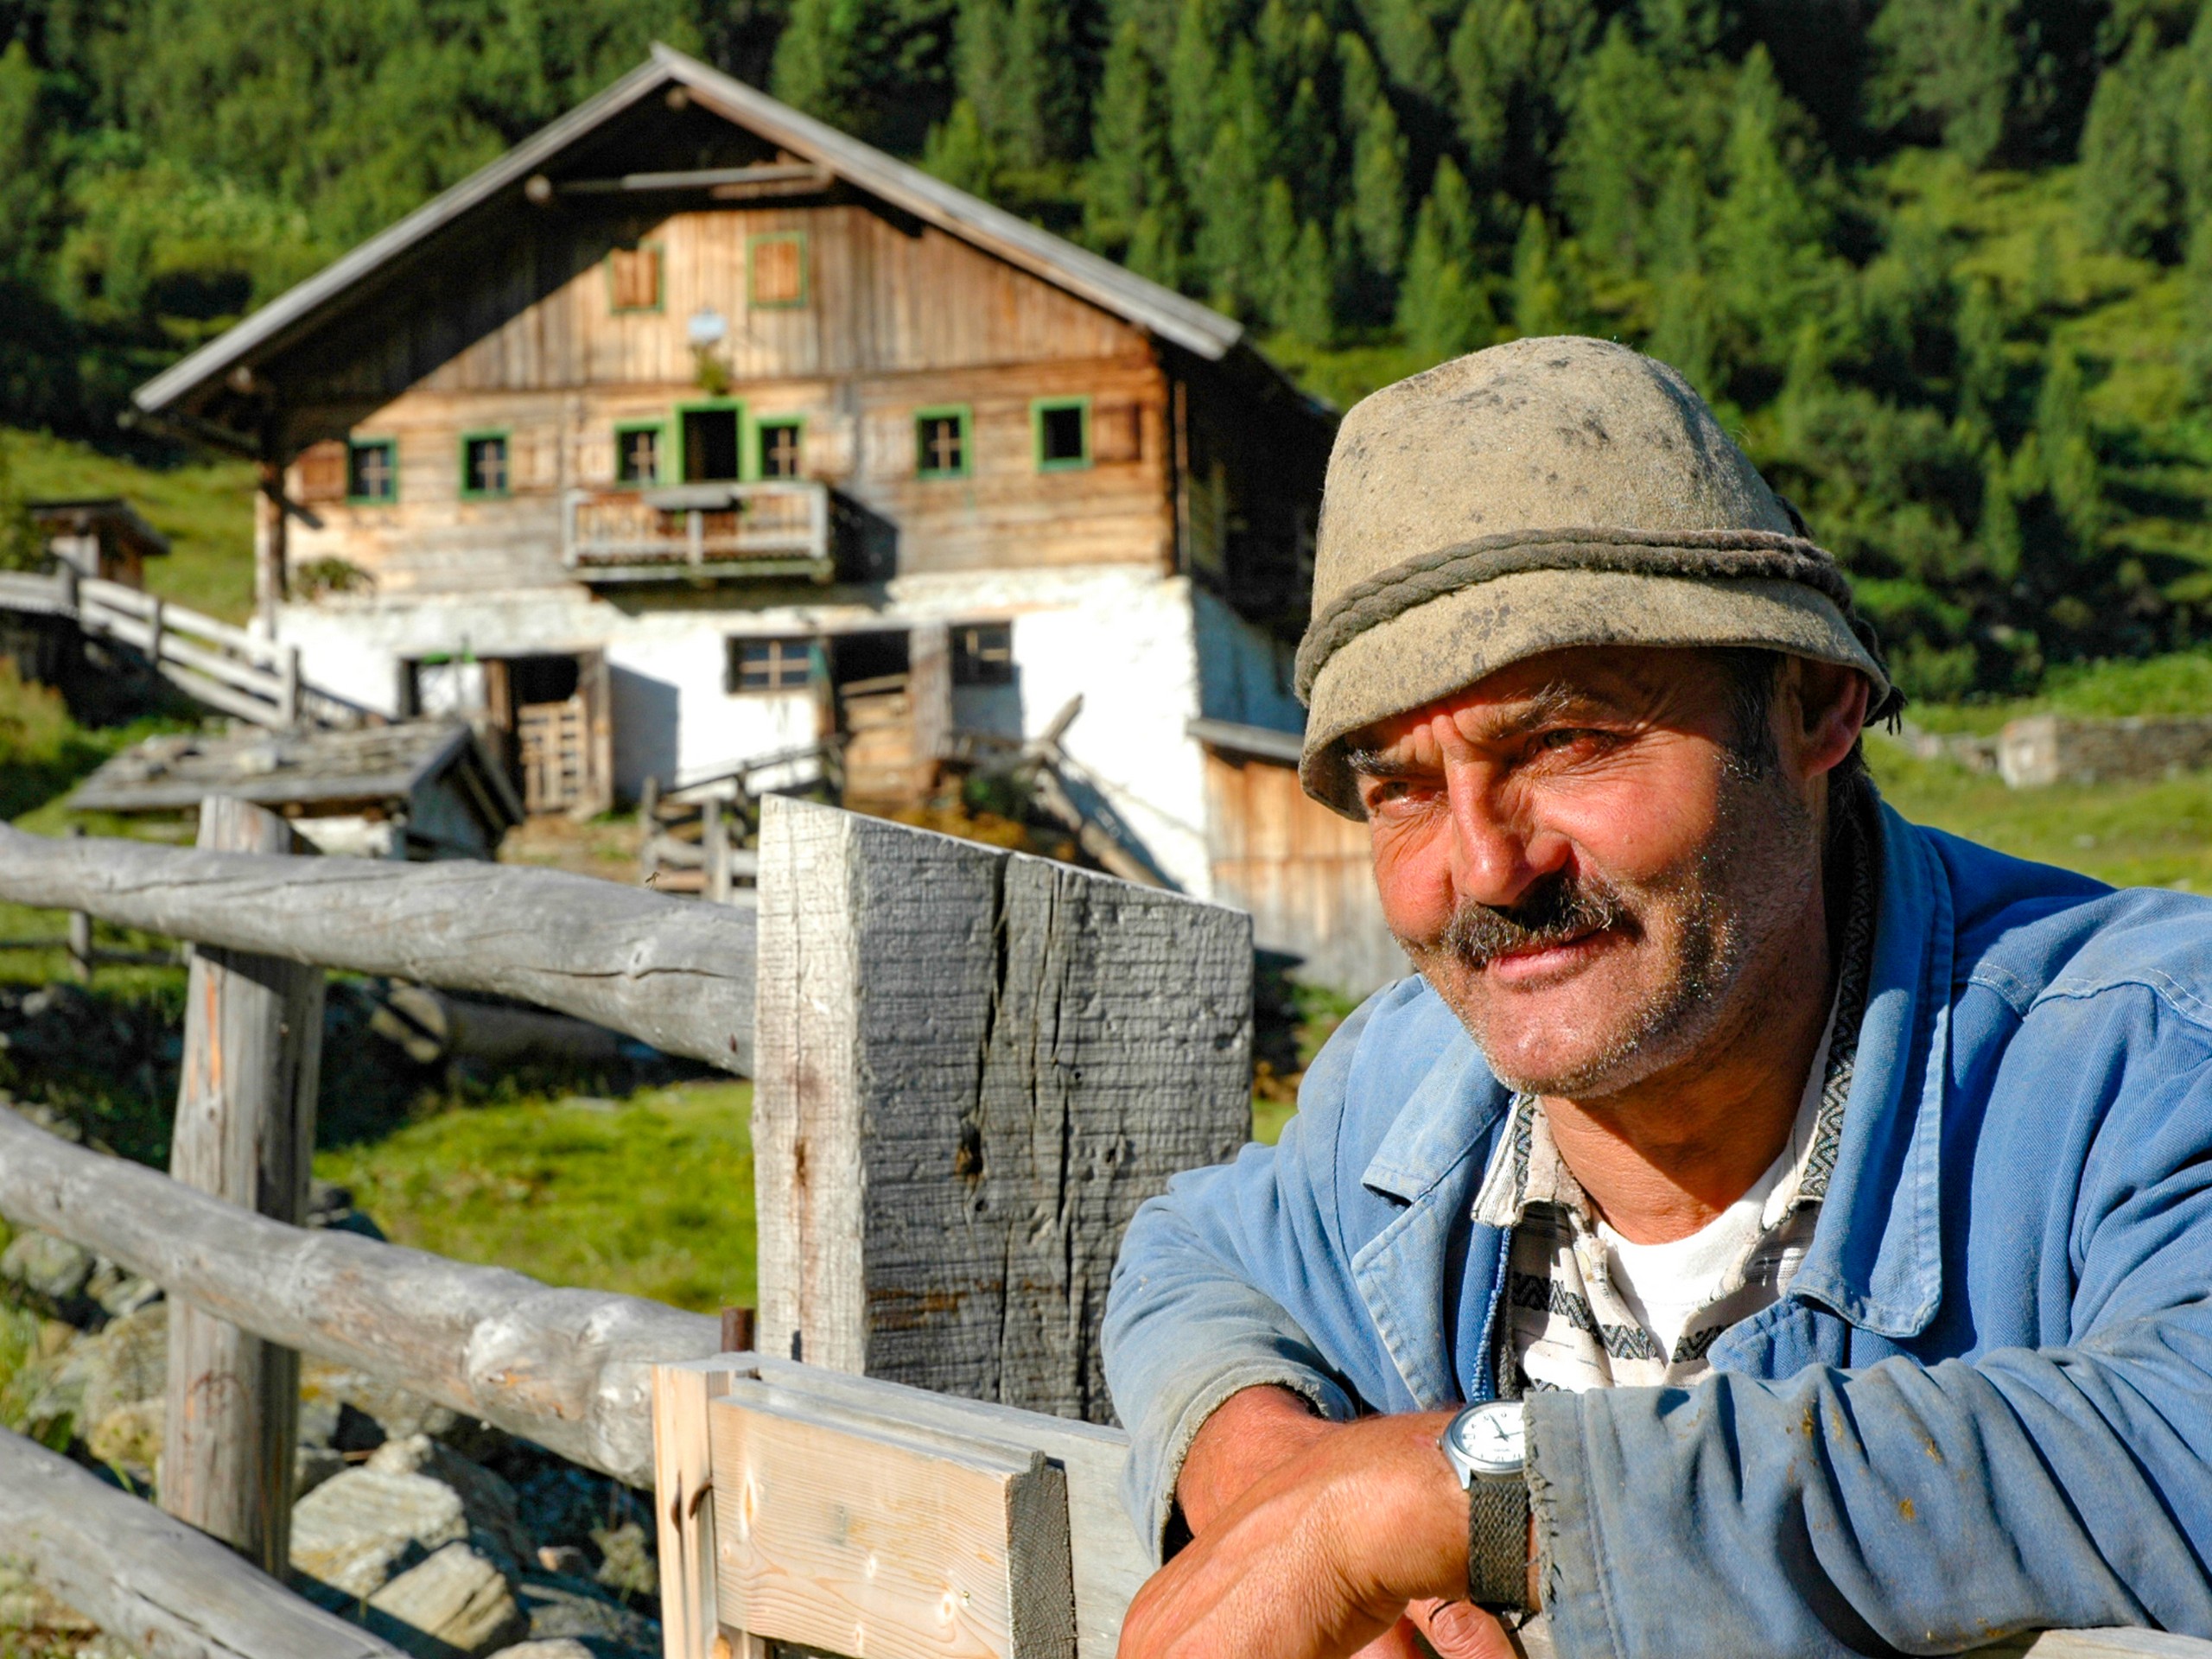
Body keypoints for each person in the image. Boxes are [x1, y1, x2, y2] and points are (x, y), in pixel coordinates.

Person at [1103, 337, 2212, 1659]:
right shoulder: (1409, 1091)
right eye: (1402, 787)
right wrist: (1259, 1463)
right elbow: (1192, 1256)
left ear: (1813, 706)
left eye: (1566, 739)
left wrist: (1457, 1494)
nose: (1488, 868)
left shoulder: (2140, 1063)